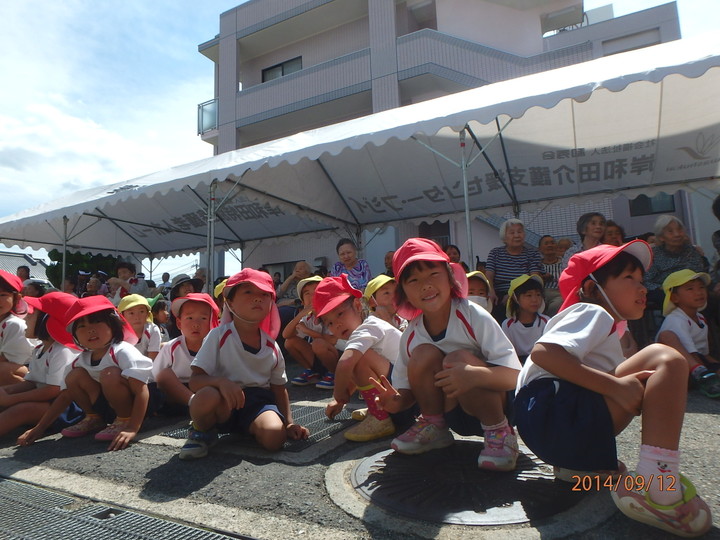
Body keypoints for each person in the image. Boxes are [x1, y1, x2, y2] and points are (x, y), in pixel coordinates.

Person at [513, 241, 712, 537]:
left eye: (642, 280)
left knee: (639, 372)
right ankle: (659, 485)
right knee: (666, 359)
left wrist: (616, 383)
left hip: (547, 428)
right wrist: (615, 386)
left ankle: (580, 467)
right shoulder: (592, 311)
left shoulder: (601, 326)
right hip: (552, 415)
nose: (642, 288)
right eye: (629, 278)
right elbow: (544, 354)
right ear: (592, 288)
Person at [371, 239, 522, 471]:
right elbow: (407, 390)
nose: (426, 285)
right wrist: (396, 402)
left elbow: (515, 376)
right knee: (422, 354)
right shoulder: (412, 334)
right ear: (404, 293)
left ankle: (500, 434)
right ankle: (435, 427)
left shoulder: (473, 315)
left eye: (433, 274)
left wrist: (474, 375)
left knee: (457, 359)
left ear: (450, 276)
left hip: (494, 407)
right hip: (452, 412)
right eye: (413, 280)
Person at [178, 269, 309, 459]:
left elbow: (279, 389)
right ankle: (201, 431)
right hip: (223, 401)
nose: (257, 298)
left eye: (264, 294)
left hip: (258, 404)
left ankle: (252, 428)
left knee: (274, 438)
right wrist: (221, 382)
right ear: (230, 302)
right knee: (206, 395)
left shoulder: (272, 346)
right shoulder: (218, 336)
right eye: (248, 292)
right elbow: (195, 380)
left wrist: (289, 423)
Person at [20, 296, 153, 451]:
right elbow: (65, 395)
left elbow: (141, 390)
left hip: (142, 404)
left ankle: (124, 420)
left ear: (113, 325)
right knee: (74, 376)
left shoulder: (122, 350)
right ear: (74, 335)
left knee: (109, 374)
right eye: (81, 326)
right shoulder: (81, 359)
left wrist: (132, 427)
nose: (90, 330)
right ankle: (94, 418)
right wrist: (39, 428)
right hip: (111, 406)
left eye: (97, 322)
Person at [316, 275, 401, 442]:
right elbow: (355, 374)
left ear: (357, 305)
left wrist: (339, 394)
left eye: (340, 314)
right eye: (329, 323)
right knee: (356, 357)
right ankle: (376, 408)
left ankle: (380, 417)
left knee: (357, 358)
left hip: (405, 398)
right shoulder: (364, 331)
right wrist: (341, 401)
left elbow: (345, 364)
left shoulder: (369, 327)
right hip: (399, 394)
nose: (337, 324)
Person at [0, 292, 81, 438]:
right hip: (48, 401)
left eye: (31, 315)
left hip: (65, 407)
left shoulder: (62, 351)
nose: (25, 318)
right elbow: (32, 382)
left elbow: (53, 390)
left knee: (22, 410)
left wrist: (12, 398)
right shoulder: (39, 349)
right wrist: (7, 390)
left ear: (47, 321)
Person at [656, 270, 720, 399]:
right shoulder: (676, 319)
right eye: (690, 289)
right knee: (667, 335)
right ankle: (702, 375)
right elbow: (691, 353)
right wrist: (706, 371)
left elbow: (704, 354)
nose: (699, 292)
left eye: (701, 287)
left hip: (696, 363)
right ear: (675, 298)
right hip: (675, 365)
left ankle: (704, 377)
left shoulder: (700, 318)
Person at [151, 293, 219, 414]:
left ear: (212, 322)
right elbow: (156, 375)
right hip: (177, 393)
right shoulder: (171, 347)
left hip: (205, 390)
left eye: (203, 318)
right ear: (179, 323)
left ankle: (201, 406)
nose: (196, 324)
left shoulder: (217, 347)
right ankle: (194, 403)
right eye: (190, 318)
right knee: (164, 374)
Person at [644, 215, 709, 306]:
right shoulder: (654, 254)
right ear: (661, 237)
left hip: (690, 290)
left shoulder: (691, 250)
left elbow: (698, 274)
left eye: (680, 230)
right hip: (663, 292)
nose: (677, 234)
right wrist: (663, 288)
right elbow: (647, 281)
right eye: (670, 231)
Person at [485, 218, 542, 322]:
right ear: (504, 237)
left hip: (523, 292)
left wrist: (513, 294)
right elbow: (489, 275)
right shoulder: (495, 253)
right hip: (499, 293)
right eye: (512, 233)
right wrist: (491, 291)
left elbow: (534, 278)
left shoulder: (532, 254)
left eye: (519, 232)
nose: (516, 235)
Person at [282, 276, 325, 386]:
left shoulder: (332, 314)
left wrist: (307, 330)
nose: (312, 296)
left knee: (318, 343)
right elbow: (286, 335)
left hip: (337, 358)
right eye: (307, 293)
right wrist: (300, 315)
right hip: (320, 357)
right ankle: (312, 372)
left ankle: (333, 374)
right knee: (289, 342)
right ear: (303, 301)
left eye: (316, 291)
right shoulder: (308, 318)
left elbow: (333, 340)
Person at [501, 275, 548, 364]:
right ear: (515, 298)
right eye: (529, 295)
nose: (534, 299)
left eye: (538, 295)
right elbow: (507, 353)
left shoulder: (546, 322)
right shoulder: (508, 325)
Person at [0, 270, 34, 385]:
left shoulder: (14, 324)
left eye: (2, 295)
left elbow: (7, 360)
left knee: (2, 369)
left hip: (27, 371)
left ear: (17, 298)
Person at [118, 295, 162, 361]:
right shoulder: (118, 332)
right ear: (122, 316)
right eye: (131, 313)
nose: (137, 317)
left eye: (141, 312)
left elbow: (152, 360)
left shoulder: (152, 330)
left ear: (147, 314)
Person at [538, 235, 563, 316]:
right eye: (546, 243)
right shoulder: (536, 265)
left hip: (558, 293)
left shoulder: (564, 262)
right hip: (541, 293)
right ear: (540, 249)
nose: (550, 245)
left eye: (552, 243)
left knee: (556, 305)